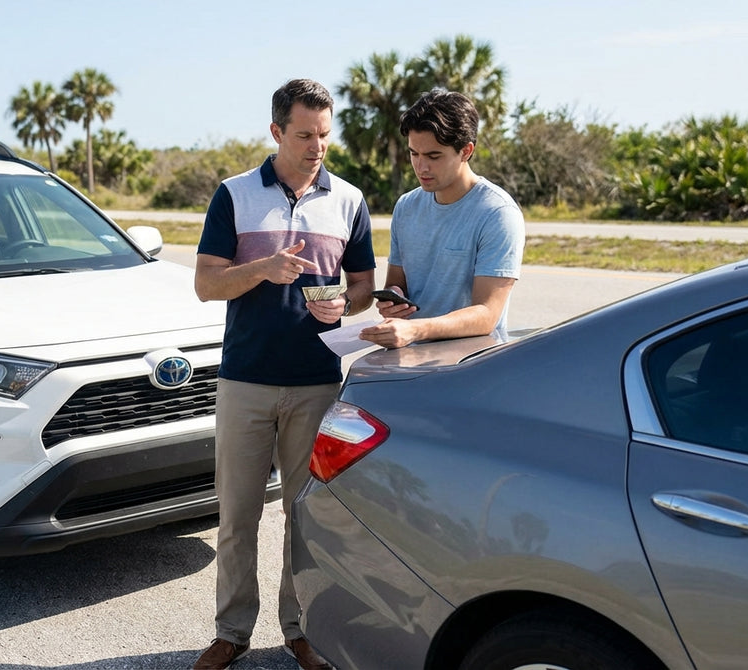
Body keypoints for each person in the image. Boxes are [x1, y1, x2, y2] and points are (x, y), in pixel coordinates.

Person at [192, 78, 376, 670]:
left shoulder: (348, 200)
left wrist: (344, 307)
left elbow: (364, 287)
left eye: (325, 135)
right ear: (276, 132)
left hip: (318, 382)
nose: (317, 146)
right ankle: (231, 632)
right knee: (238, 517)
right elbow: (206, 285)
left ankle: (301, 631)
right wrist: (263, 268)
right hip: (244, 380)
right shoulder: (234, 195)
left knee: (306, 518)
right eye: (305, 135)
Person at [360, 88, 525, 349]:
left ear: (466, 151)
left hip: (471, 365)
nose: (421, 167)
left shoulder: (497, 213)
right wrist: (394, 300)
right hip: (411, 359)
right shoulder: (406, 207)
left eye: (434, 156)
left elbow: (486, 314)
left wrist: (414, 329)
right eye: (414, 154)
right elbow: (396, 283)